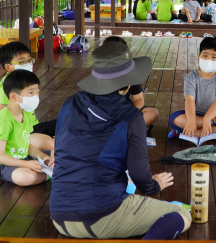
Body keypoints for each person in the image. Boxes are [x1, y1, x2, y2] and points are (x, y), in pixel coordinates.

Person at [50, 42, 191, 239]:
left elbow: (59, 147)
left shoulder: (70, 103)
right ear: (127, 85)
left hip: (59, 216)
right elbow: (140, 175)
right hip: (102, 215)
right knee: (181, 215)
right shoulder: (131, 118)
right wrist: (154, 185)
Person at [0, 41, 55, 155]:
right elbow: (1, 119)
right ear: (8, 67)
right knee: (51, 143)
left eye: (29, 60)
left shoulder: (23, 81)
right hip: (21, 133)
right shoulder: (7, 87)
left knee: (65, 122)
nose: (27, 63)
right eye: (21, 61)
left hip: (32, 127)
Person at [0, 70, 54, 186]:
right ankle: (56, 173)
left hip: (23, 156)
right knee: (25, 177)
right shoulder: (3, 120)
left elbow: (25, 144)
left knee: (61, 153)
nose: (36, 96)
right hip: (2, 164)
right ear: (13, 97)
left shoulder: (25, 113)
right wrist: (27, 164)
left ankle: (51, 171)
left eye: (37, 92)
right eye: (31, 93)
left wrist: (43, 156)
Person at [168, 37, 216, 139]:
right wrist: (191, 121)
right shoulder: (190, 77)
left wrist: (208, 118)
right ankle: (213, 122)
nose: (208, 59)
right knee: (174, 118)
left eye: (213, 57)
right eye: (205, 55)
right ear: (199, 56)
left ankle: (182, 134)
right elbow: (189, 100)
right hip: (195, 114)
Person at [102, 36, 160, 128]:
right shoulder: (100, 73)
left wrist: (132, 111)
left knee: (153, 113)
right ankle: (130, 129)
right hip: (105, 114)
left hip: (127, 112)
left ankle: (125, 128)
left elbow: (139, 99)